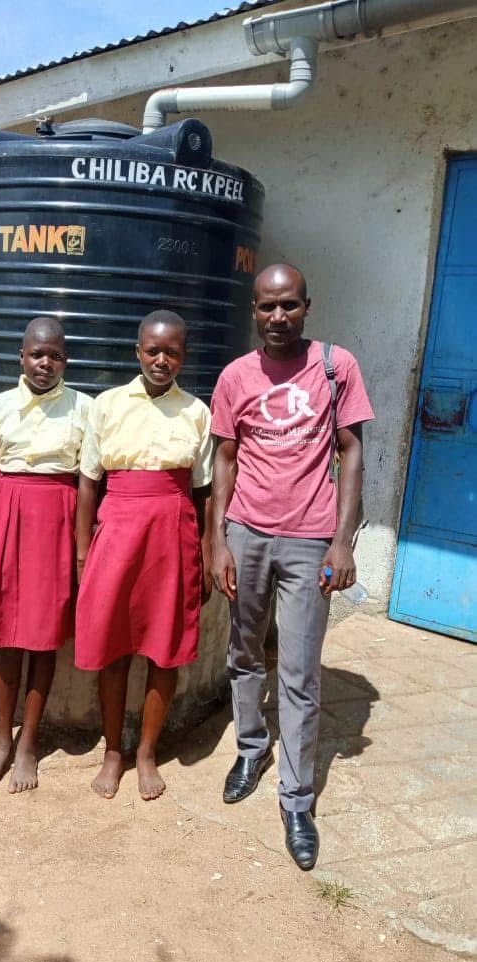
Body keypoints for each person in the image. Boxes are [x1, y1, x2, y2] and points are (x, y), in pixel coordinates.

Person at [210, 263, 374, 870]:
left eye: (289, 306)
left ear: (308, 306)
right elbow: (225, 459)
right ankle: (251, 748)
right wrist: (218, 542)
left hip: (310, 542)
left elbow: (352, 451)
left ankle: (298, 800)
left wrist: (343, 542)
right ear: (252, 311)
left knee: (301, 670)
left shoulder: (337, 367)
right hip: (247, 534)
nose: (277, 318)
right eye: (266, 307)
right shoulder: (234, 376)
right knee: (245, 652)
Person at [75, 310, 213, 801]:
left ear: (183, 356)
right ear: (138, 352)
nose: (161, 360)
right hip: (119, 528)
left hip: (173, 531)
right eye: (153, 350)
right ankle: (114, 749)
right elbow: (88, 482)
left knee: (163, 647)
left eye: (172, 352)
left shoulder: (197, 412)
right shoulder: (107, 406)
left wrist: (206, 552)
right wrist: (83, 551)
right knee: (114, 645)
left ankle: (147, 751)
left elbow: (203, 491)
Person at [0, 317, 90, 792]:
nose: (46, 363)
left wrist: (79, 544)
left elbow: (86, 477)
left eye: (56, 355)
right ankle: (1, 740)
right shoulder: (0, 406)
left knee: (43, 635)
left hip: (57, 520)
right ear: (21, 357)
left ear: (66, 360)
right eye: (37, 354)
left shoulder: (84, 408)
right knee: (6, 635)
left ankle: (28, 745)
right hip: (9, 515)